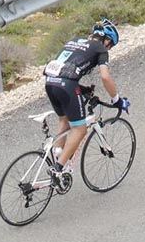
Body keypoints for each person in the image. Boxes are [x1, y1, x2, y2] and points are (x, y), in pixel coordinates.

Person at [42, 18, 130, 191]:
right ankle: (58, 169)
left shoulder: (74, 41)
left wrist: (81, 89)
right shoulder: (100, 49)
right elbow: (105, 77)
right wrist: (117, 100)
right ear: (106, 40)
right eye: (110, 45)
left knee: (64, 120)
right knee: (80, 129)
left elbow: (63, 68)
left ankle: (58, 156)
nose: (109, 48)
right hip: (66, 85)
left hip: (50, 82)